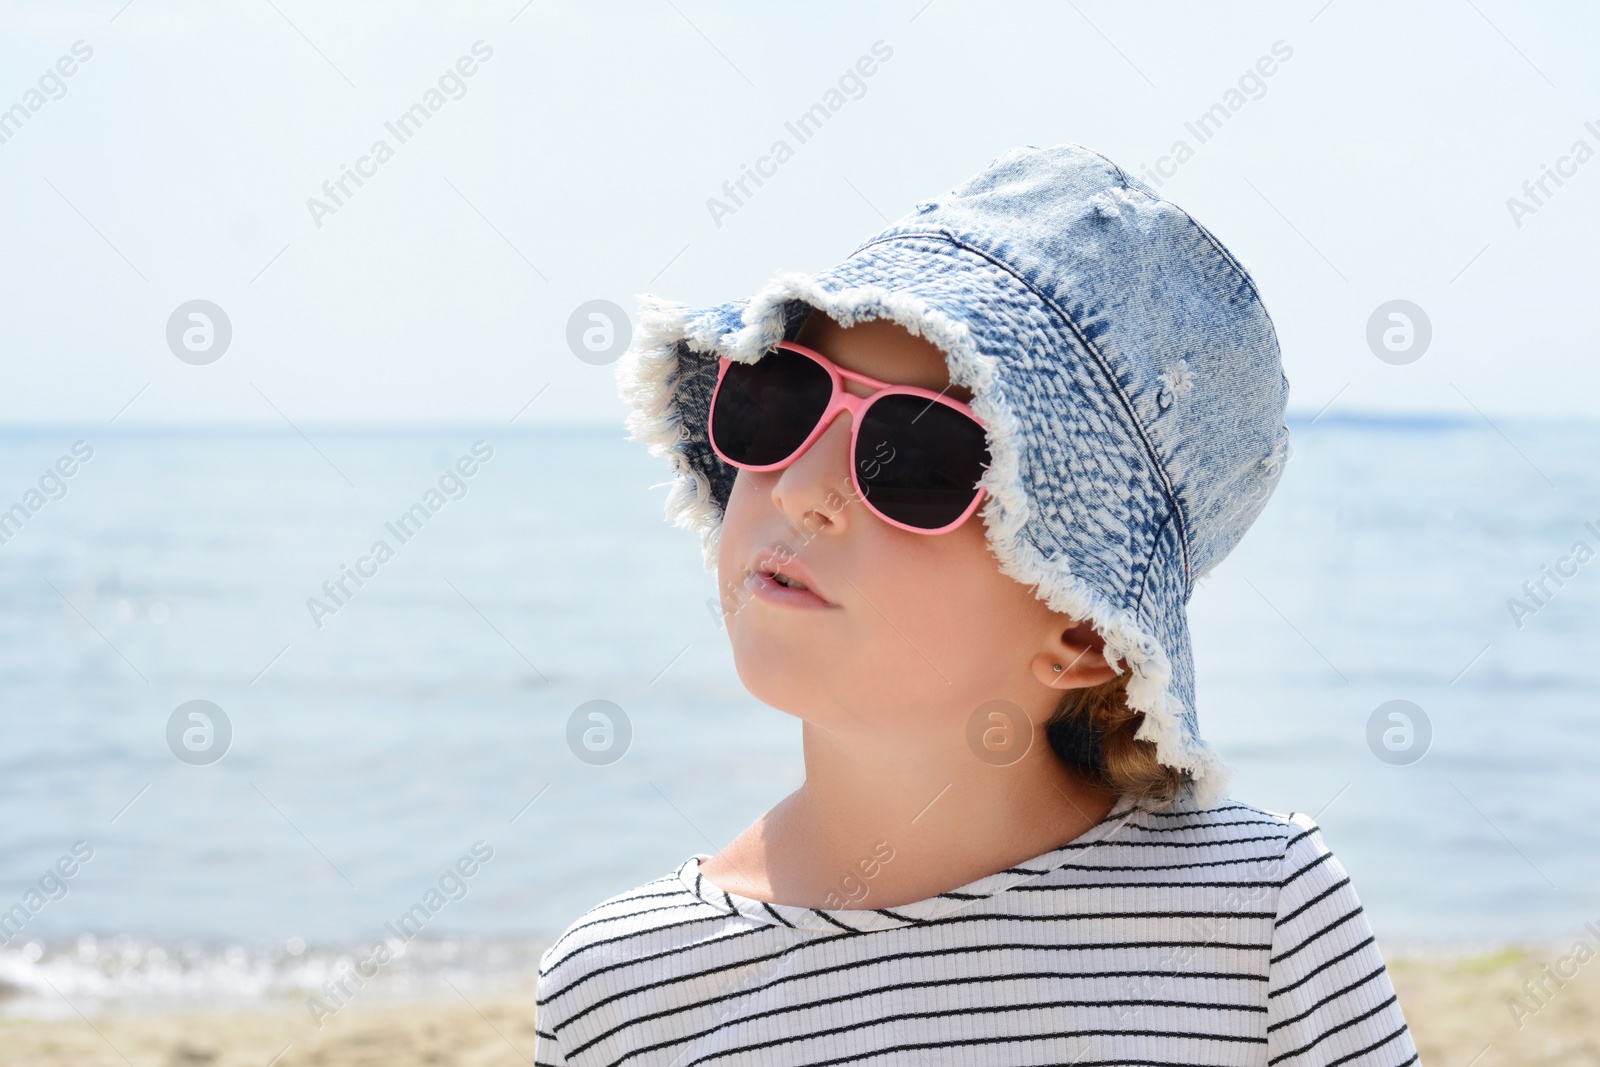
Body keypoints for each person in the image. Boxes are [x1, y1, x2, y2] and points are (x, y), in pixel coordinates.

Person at [534, 143, 1417, 1067]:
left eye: (918, 457)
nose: (801, 487)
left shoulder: (1260, 917)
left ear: (1080, 627)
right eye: (782, 397)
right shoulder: (625, 994)